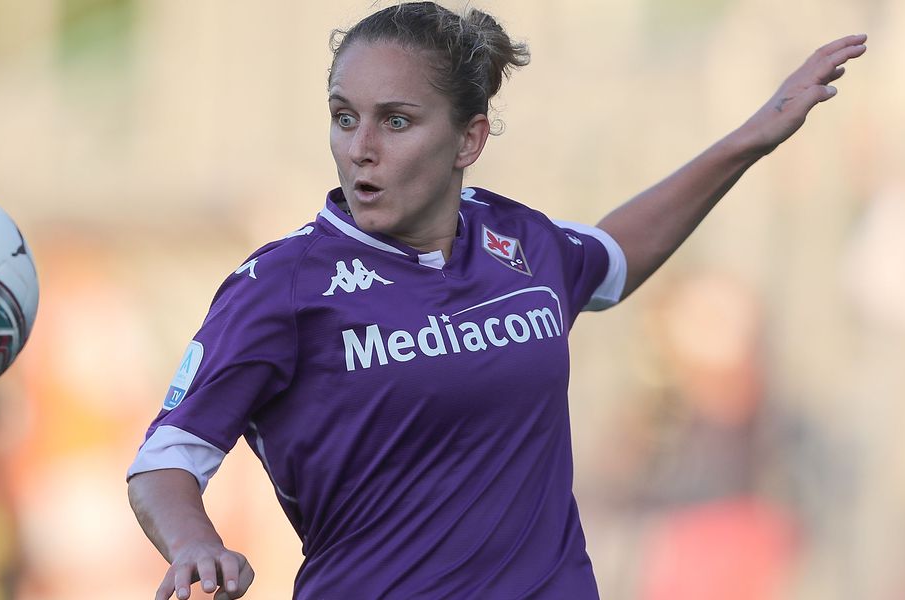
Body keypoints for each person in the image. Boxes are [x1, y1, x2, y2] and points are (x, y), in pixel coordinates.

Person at [126, 3, 867, 598]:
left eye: (397, 120)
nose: (360, 148)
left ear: (468, 139)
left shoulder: (522, 241)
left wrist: (749, 139)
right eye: (344, 116)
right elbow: (166, 459)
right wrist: (197, 545)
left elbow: (614, 256)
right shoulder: (282, 285)